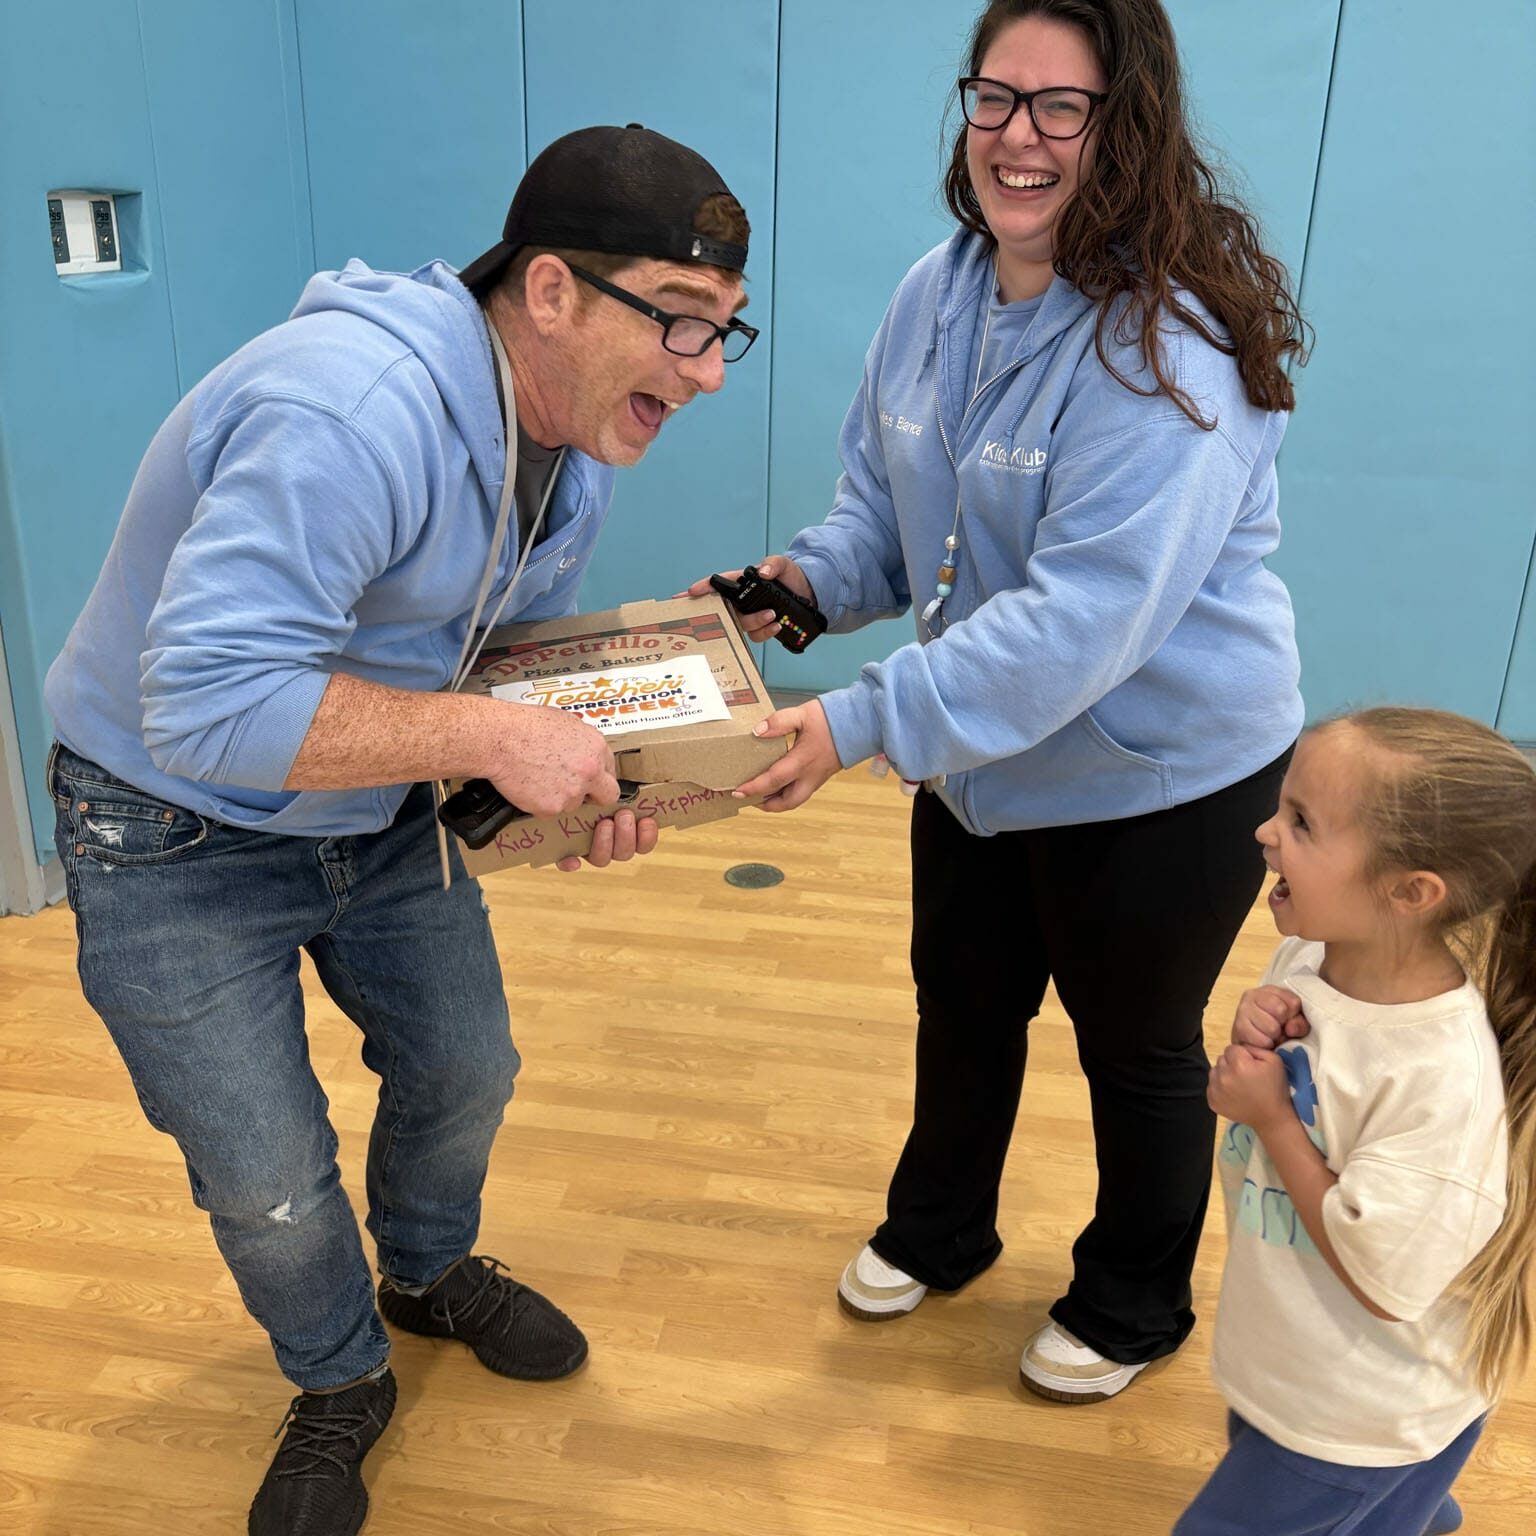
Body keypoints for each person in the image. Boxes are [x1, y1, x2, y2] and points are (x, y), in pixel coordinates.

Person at [43, 124, 757, 1536]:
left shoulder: (566, 436)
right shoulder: (349, 412)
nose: (708, 370)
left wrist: (604, 767)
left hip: (368, 817)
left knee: (466, 1068)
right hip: (168, 830)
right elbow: (203, 704)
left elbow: (467, 648)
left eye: (726, 329)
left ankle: (425, 1273)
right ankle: (339, 1379)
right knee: (266, 1181)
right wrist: (500, 740)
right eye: (677, 325)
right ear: (549, 293)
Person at [690, 0, 1308, 1400]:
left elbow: (1078, 623)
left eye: (1060, 108)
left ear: (1126, 127)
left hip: (1162, 773)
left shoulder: (1174, 347)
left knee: (1136, 1046)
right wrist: (792, 590)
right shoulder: (936, 293)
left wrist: (851, 721)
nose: (1016, 138)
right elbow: (890, 520)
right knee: (962, 1002)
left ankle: (1135, 1300)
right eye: (994, 98)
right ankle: (941, 1229)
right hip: (982, 765)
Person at [1176, 708, 1536, 1535]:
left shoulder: (1442, 1076)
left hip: (1365, 1414)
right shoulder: (1313, 957)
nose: (1266, 830)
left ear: (1410, 894)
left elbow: (1383, 1281)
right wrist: (1258, 1024)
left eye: (1302, 822)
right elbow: (1307, 1082)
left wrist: (1272, 1122)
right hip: (1298, 1365)